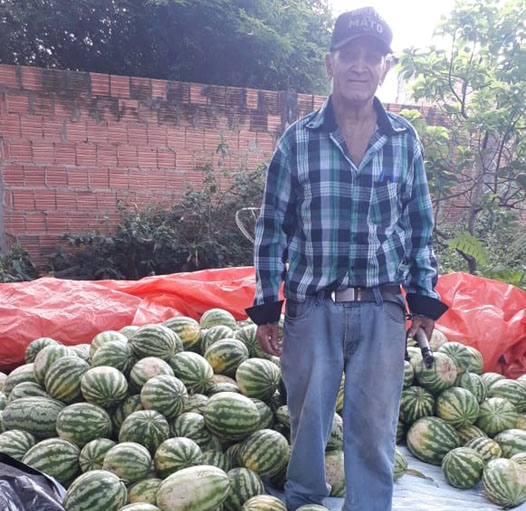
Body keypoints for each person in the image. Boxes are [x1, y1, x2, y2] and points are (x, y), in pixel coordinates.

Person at [246, 6, 448, 511]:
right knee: (308, 426)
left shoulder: (403, 141)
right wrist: (267, 305)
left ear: (385, 67)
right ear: (329, 62)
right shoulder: (298, 141)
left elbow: (420, 226)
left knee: (374, 432)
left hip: (382, 308)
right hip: (313, 308)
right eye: (349, 55)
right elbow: (271, 228)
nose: (360, 66)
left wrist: (424, 296)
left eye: (372, 57)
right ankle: (305, 502)